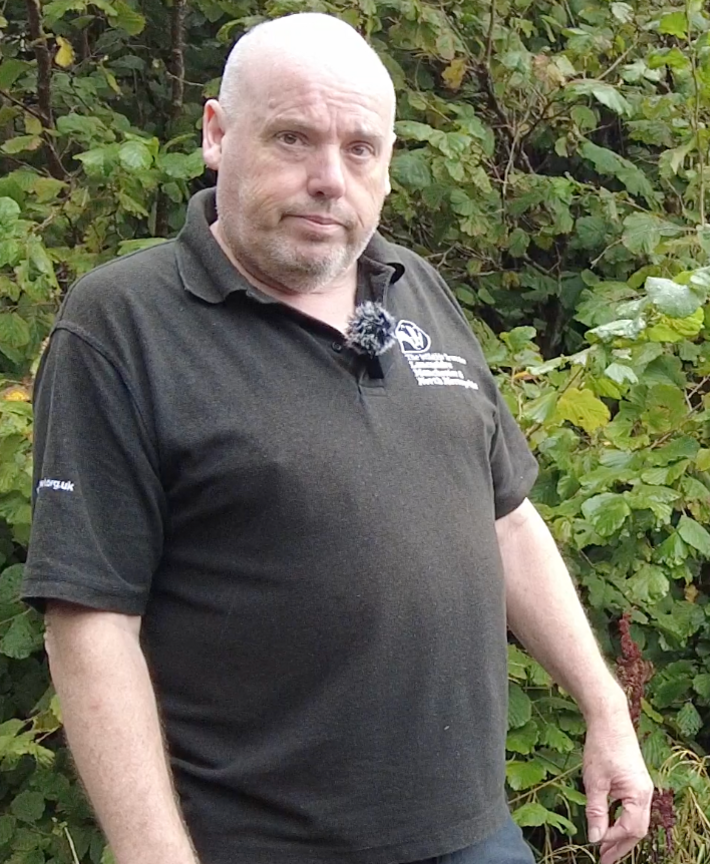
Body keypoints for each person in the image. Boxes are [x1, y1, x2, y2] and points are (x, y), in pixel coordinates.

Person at [20, 12, 652, 864]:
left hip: (473, 833)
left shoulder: (411, 287)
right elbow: (90, 621)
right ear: (216, 135)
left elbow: (503, 518)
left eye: (360, 148)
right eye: (292, 138)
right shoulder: (125, 326)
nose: (329, 178)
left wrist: (605, 709)